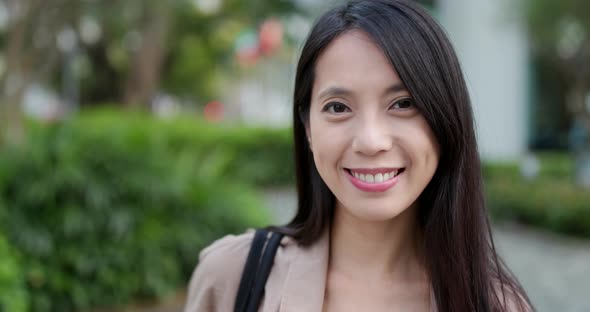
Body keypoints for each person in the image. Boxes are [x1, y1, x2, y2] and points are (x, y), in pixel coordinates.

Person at [184, 0, 534, 311]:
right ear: (307, 127)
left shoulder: (495, 304)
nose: (370, 141)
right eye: (338, 107)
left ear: (445, 119)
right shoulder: (232, 277)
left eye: (403, 104)